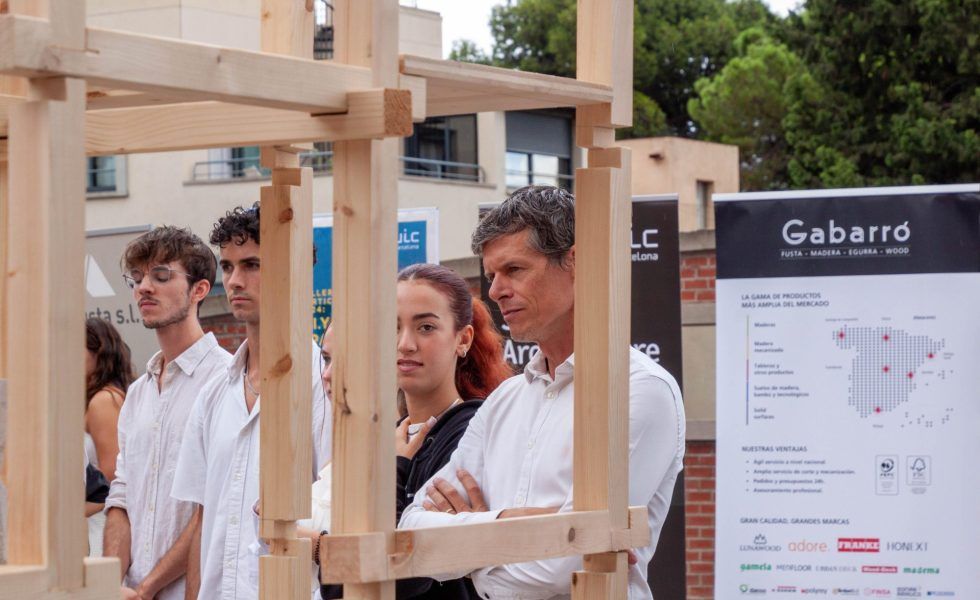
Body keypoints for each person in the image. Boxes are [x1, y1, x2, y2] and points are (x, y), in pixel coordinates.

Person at [397, 186, 686, 599]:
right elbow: (411, 533)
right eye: (492, 274)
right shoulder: (505, 400)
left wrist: (469, 547)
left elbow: (558, 570)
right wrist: (513, 521)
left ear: (576, 262)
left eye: (514, 269)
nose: (495, 290)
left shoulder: (640, 390)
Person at [318, 263, 512, 600]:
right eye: (393, 328)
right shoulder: (385, 440)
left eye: (425, 327)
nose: (405, 344)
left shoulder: (474, 432)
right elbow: (336, 584)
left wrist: (394, 469)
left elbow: (399, 575)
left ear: (462, 339)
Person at [172, 203, 331, 600]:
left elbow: (338, 512)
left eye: (252, 265)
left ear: (295, 270)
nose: (235, 280)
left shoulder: (323, 384)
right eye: (227, 267)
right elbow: (203, 521)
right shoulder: (213, 394)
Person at [103, 226, 232, 600]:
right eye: (138, 277)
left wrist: (147, 589)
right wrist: (112, 585)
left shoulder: (226, 381)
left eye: (161, 275)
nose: (144, 287)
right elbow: (122, 494)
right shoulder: (139, 392)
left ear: (199, 290)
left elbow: (212, 506)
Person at [84, 317, 135, 556]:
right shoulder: (111, 395)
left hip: (99, 521)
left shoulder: (103, 400)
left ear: (99, 352)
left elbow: (111, 474)